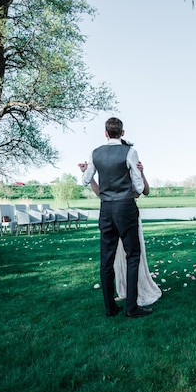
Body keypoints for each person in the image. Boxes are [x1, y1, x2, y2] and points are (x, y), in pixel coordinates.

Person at [80, 117, 152, 318]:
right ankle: (131, 307)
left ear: (105, 133)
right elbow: (139, 187)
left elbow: (86, 180)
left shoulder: (95, 153)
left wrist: (85, 171)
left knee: (106, 259)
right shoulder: (130, 152)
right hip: (125, 208)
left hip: (106, 210)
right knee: (133, 256)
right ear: (122, 133)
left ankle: (109, 307)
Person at [79, 160, 162, 307]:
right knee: (118, 257)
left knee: (133, 256)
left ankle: (137, 292)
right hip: (113, 219)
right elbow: (99, 192)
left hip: (130, 218)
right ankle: (124, 291)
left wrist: (141, 172)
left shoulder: (131, 173)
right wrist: (88, 175)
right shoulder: (109, 177)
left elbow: (146, 191)